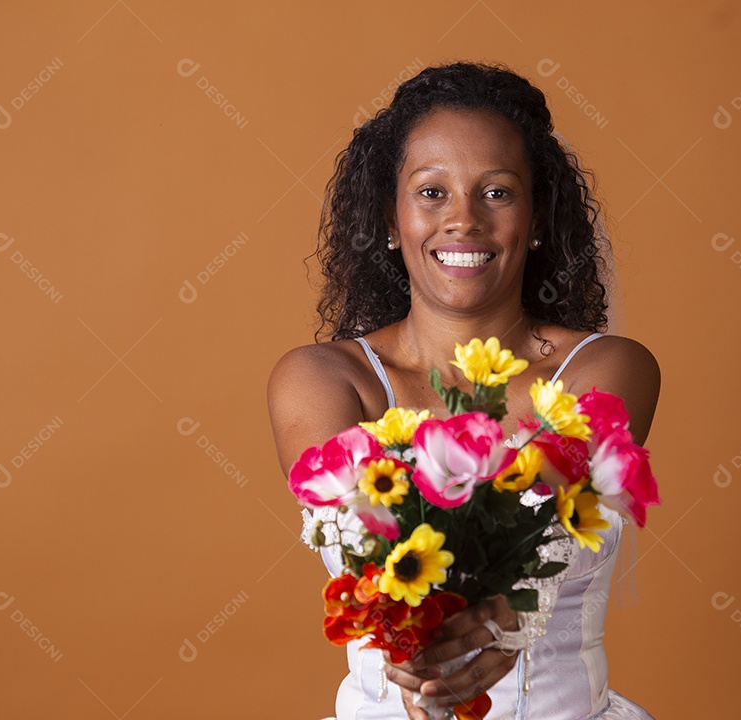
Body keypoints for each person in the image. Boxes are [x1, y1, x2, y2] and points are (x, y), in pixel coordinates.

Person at [267, 61, 660, 720]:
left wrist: (505, 618)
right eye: (431, 192)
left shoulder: (608, 369)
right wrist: (410, 642)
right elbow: (359, 530)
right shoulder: (323, 379)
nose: (464, 220)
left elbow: (552, 514)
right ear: (390, 221)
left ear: (537, 219)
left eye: (498, 192)